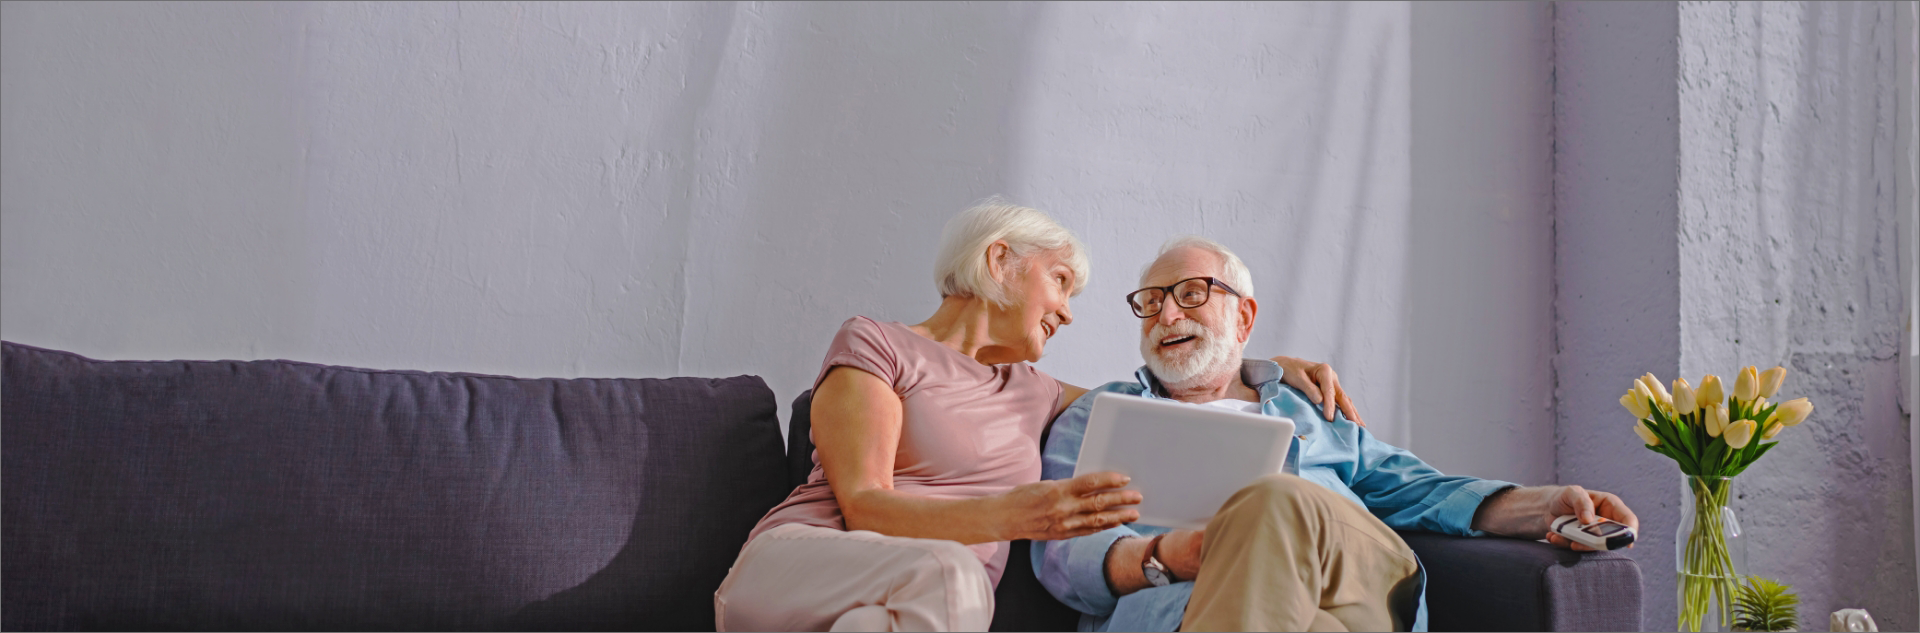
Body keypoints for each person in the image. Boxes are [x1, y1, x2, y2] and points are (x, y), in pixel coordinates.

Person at [713, 202, 1356, 631]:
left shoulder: (1035, 390)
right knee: (952, 571)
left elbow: (1171, 394)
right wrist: (1014, 514)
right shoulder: (879, 345)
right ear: (999, 263)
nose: (1069, 312)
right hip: (803, 566)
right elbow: (865, 507)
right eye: (1059, 282)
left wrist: (1258, 367)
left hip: (907, 610)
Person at [1034, 235, 1641, 632]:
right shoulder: (1099, 418)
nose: (1167, 315)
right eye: (1152, 302)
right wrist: (1165, 557)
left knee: (1275, 499)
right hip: (1187, 610)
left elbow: (1419, 490)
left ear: (1243, 316)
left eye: (1191, 295)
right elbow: (1061, 552)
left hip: (1357, 585)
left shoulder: (1307, 407)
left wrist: (1544, 507)